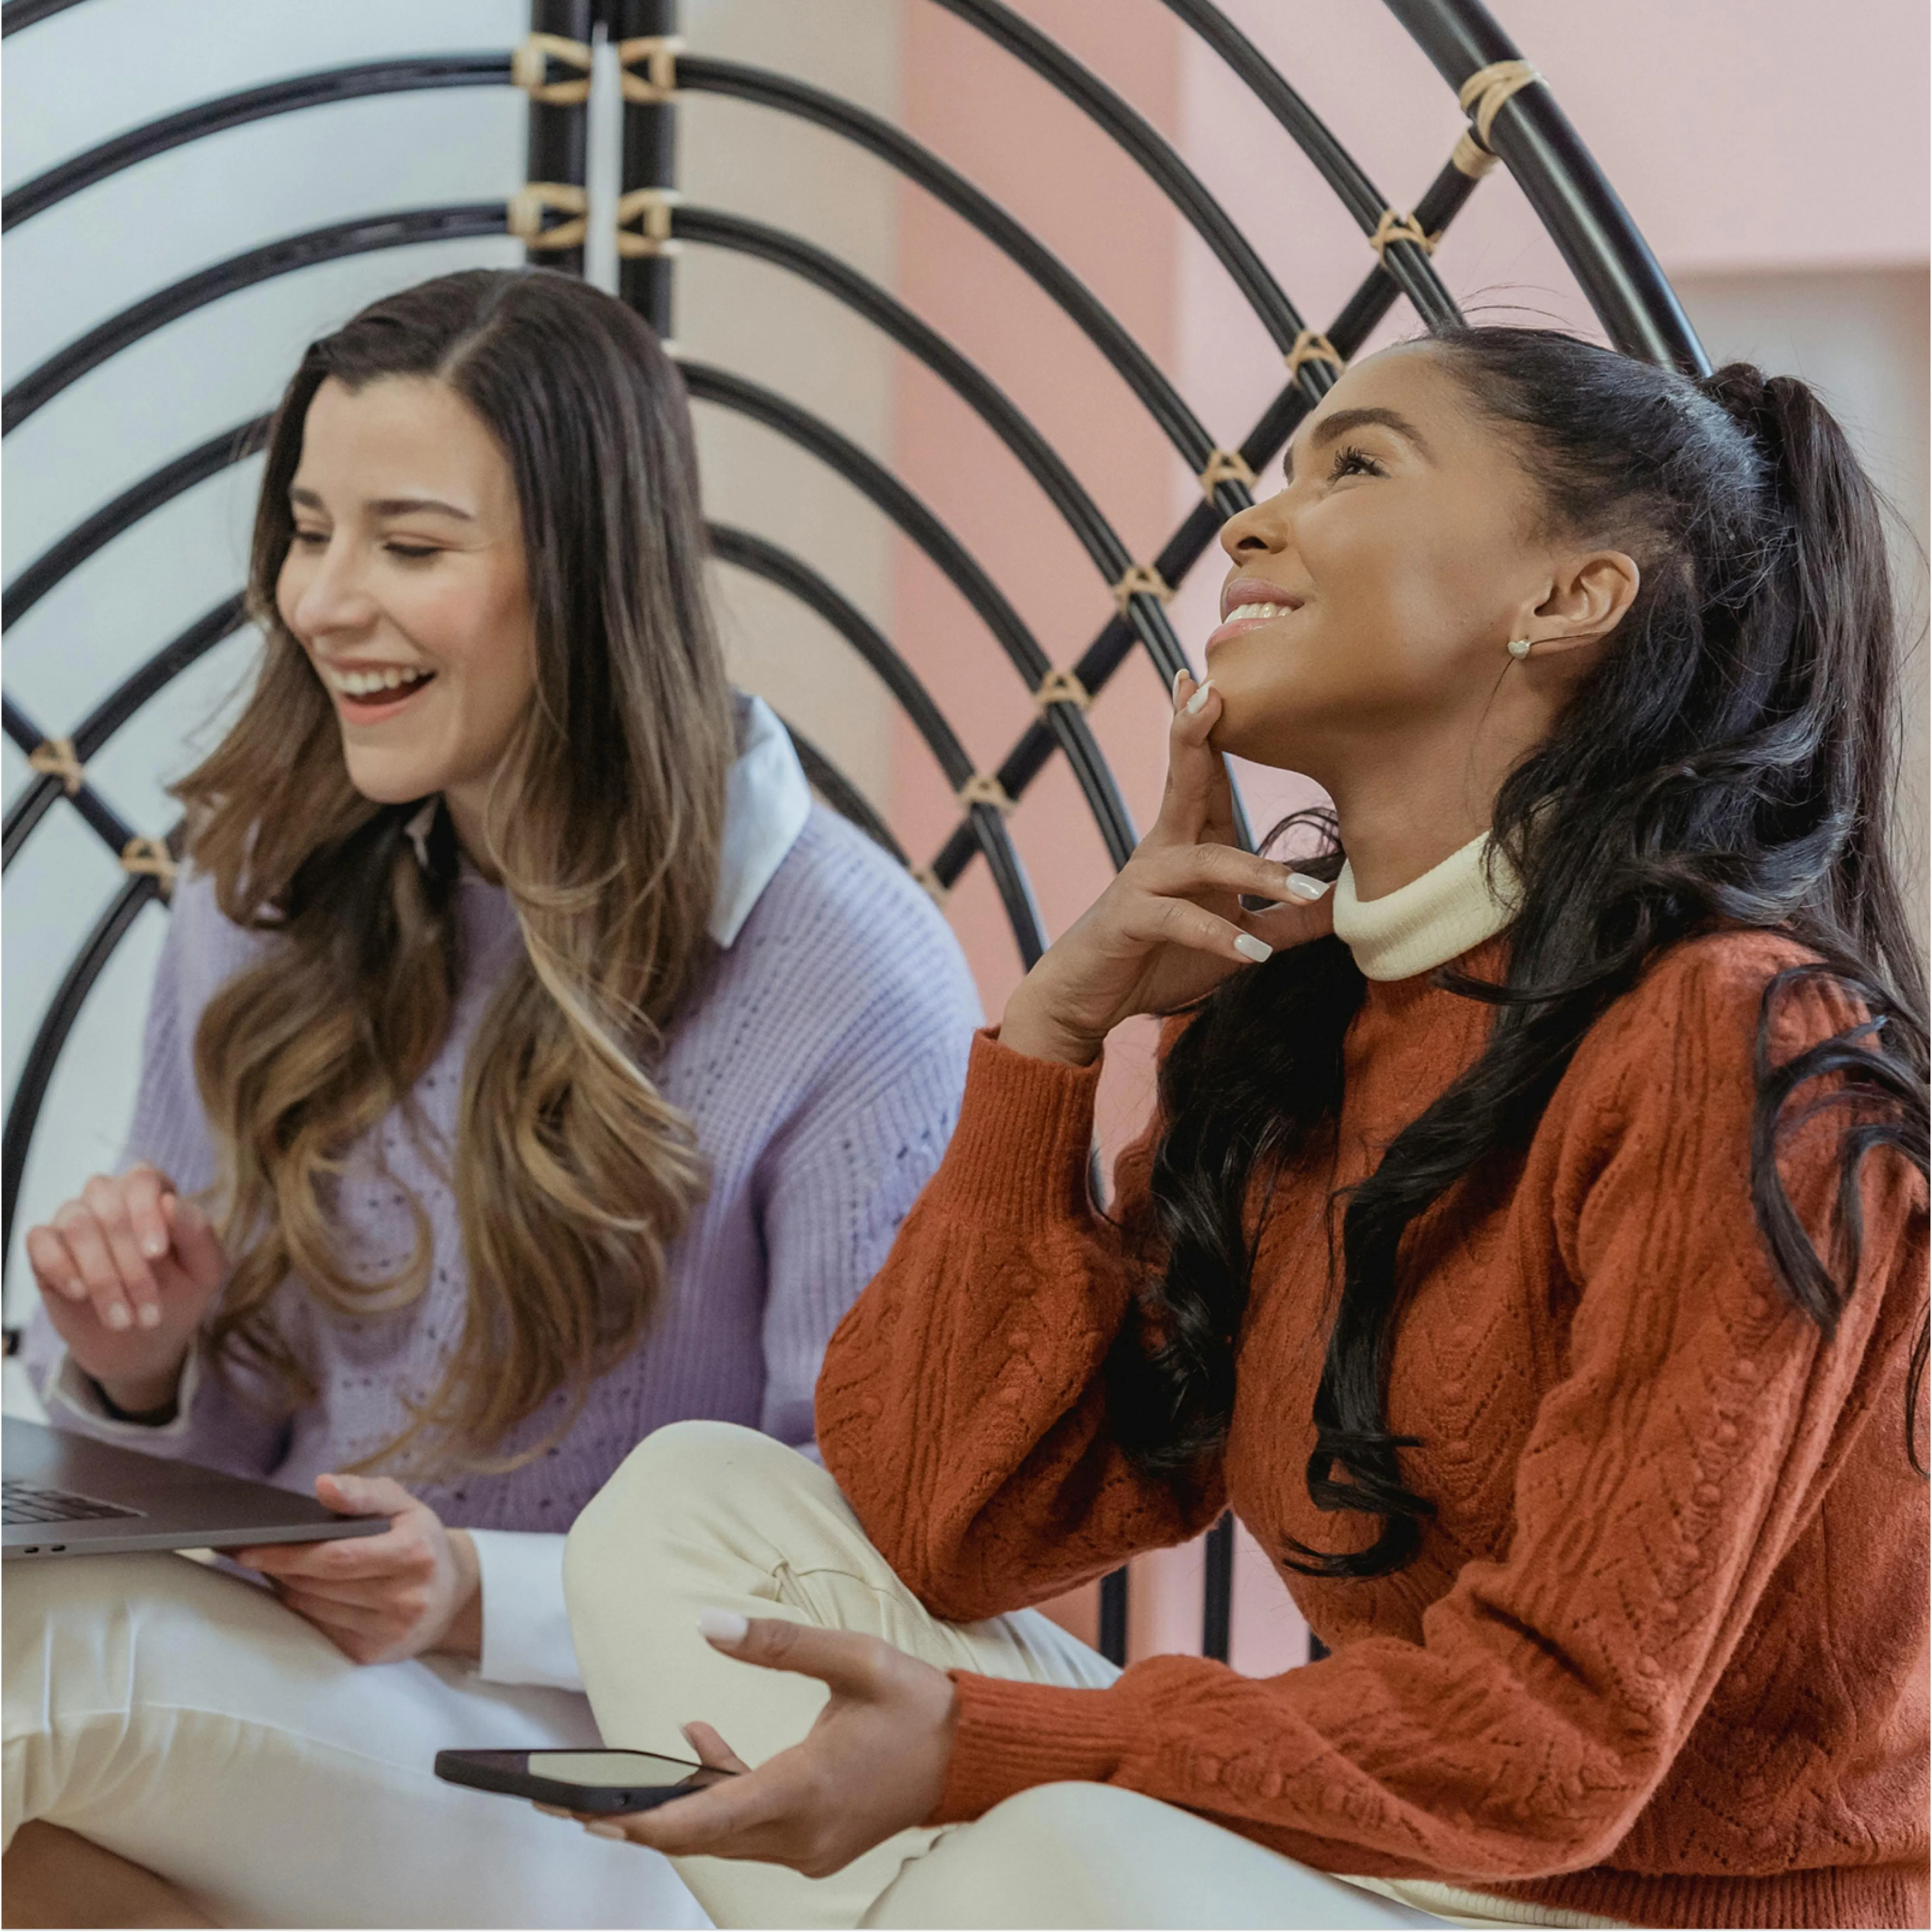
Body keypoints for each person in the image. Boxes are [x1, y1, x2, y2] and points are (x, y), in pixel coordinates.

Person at [551, 327, 1929, 1930]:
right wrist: (1049, 1046)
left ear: (1571, 596)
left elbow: (1555, 1744)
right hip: (1408, 1879)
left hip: (1649, 1904)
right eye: (1284, 473)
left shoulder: (1737, 1040)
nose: (1256, 524)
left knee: (1052, 1861)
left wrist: (993, 1754)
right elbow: (949, 1520)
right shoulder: (1304, 1021)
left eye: (1356, 467)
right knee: (687, 1515)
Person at [2, 268, 982, 1930]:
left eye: (411, 543)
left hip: (636, 1789)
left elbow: (874, 1572)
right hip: (290, 1705)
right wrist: (141, 1363)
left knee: (43, 1660)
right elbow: (210, 1467)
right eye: (309, 530)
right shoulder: (259, 897)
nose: (324, 600)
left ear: (586, 577)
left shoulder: (856, 982)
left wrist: (470, 1594)